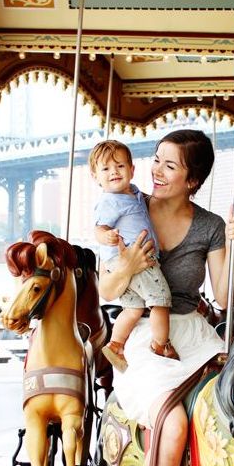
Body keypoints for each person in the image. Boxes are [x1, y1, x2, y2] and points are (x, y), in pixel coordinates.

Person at [98, 129, 234, 466]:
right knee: (175, 421)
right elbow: (107, 288)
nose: (157, 171)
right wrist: (128, 265)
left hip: (194, 335)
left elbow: (224, 296)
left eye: (170, 165)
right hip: (143, 333)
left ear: (193, 180)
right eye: (157, 160)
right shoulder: (129, 205)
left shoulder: (209, 226)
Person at [90, 139, 179, 373]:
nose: (114, 172)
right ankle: (161, 345)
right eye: (106, 169)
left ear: (132, 170)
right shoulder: (110, 201)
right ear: (95, 177)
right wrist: (106, 236)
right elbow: (99, 228)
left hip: (129, 262)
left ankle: (116, 344)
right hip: (138, 261)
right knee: (160, 301)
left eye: (120, 166)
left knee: (133, 309)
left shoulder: (135, 193)